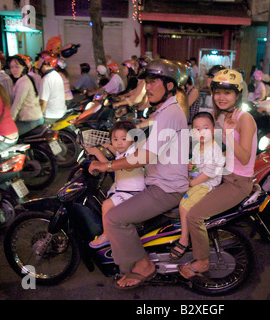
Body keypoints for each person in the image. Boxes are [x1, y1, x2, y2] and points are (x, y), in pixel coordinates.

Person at [88, 59, 189, 289]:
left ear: (170, 86)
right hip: (157, 182)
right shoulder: (164, 111)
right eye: (147, 82)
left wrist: (107, 166)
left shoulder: (169, 113)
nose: (148, 87)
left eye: (154, 82)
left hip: (166, 188)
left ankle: (143, 265)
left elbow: (145, 157)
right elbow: (148, 139)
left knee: (115, 217)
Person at [178, 69, 257, 279]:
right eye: (218, 92)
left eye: (227, 93)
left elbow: (244, 157)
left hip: (237, 183)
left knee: (195, 215)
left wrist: (229, 135)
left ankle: (202, 261)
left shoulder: (244, 118)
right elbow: (225, 152)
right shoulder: (222, 116)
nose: (221, 97)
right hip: (224, 176)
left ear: (238, 95)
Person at [169, 112, 225, 260]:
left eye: (205, 128)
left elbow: (207, 173)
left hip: (206, 185)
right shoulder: (197, 147)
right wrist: (190, 166)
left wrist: (191, 183)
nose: (201, 132)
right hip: (197, 181)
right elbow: (197, 166)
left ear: (213, 129)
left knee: (184, 206)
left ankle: (184, 239)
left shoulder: (214, 150)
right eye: (197, 129)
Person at [88, 120, 146, 248]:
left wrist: (97, 152)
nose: (119, 143)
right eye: (115, 139)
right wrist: (108, 147)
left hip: (132, 193)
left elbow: (111, 166)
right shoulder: (126, 149)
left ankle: (106, 235)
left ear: (133, 140)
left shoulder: (132, 154)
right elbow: (118, 153)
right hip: (124, 189)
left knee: (106, 205)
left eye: (124, 139)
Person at [9, 54, 44, 135]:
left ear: (24, 67)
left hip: (30, 120)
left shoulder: (23, 83)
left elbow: (16, 105)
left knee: (9, 135)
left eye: (17, 67)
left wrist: (9, 121)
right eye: (11, 67)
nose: (13, 70)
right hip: (32, 118)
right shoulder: (25, 79)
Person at [36, 51, 66, 125]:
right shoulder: (56, 75)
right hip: (60, 112)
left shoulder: (46, 78)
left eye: (39, 60)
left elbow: (43, 102)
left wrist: (38, 117)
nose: (37, 62)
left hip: (50, 116)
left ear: (46, 63)